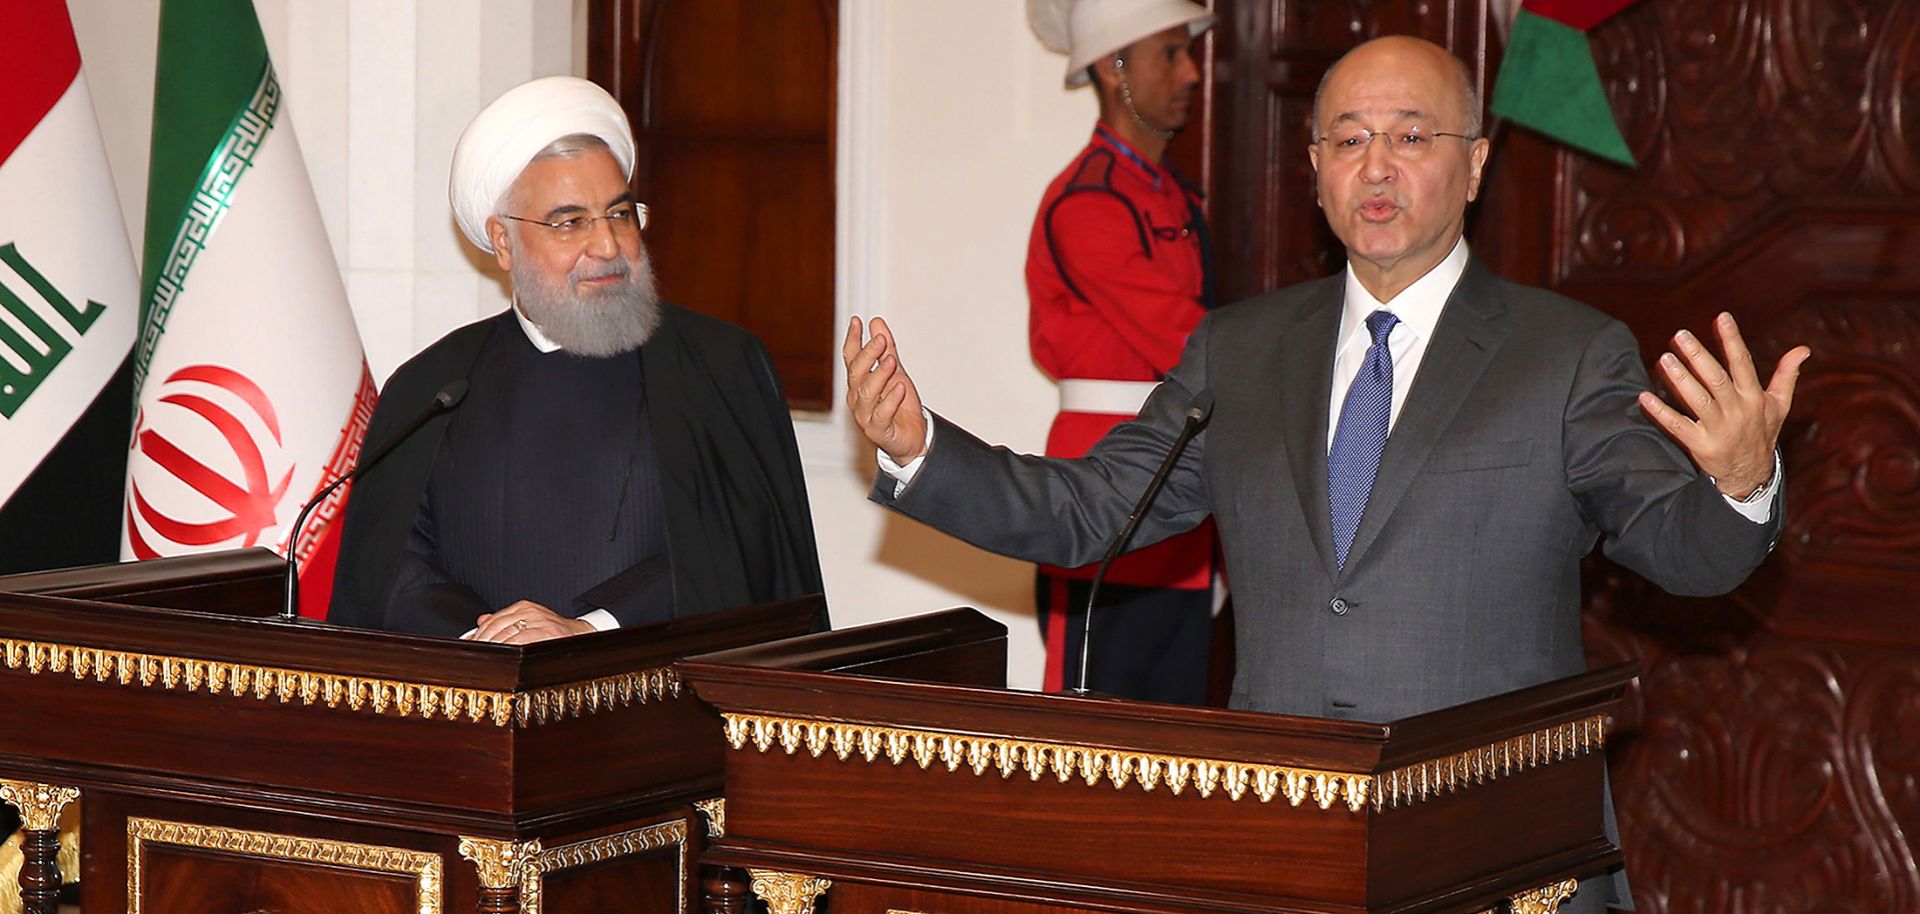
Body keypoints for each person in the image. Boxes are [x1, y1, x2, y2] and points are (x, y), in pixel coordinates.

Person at [844, 36, 1809, 912]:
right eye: (1348, 140)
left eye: (1411, 135)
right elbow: (1091, 508)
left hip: (1496, 850)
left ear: (1474, 164)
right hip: (1281, 842)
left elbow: (1687, 557)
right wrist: (919, 445)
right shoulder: (1241, 350)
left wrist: (1739, 485)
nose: (1377, 167)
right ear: (1314, 171)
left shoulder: (1566, 355)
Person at [328, 76, 823, 644]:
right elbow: (390, 568)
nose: (609, 246)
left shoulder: (717, 363)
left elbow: (744, 548)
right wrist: (497, 637)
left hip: (664, 707)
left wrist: (588, 628)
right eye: (570, 223)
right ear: (504, 242)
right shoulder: (434, 384)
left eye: (619, 214)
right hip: (484, 703)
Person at [1022, 0, 1219, 703]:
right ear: (1114, 68)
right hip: (1104, 488)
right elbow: (1188, 340)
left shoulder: (1178, 197)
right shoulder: (1087, 203)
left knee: (1178, 739)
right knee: (1092, 733)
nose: (1192, 71)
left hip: (1181, 491)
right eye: (1170, 53)